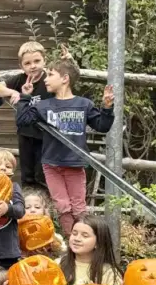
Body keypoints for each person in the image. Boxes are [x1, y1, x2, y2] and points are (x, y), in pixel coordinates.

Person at [15, 58, 115, 234]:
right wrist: (25, 96)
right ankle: (71, 240)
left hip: (74, 163)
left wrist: (107, 107)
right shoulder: (44, 105)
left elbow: (102, 126)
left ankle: (84, 237)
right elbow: (23, 121)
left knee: (78, 207)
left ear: (65, 78)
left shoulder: (83, 104)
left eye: (50, 75)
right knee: (62, 206)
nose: (45, 79)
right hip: (51, 164)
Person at [0, 41, 56, 189]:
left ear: (44, 61)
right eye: (27, 63)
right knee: (27, 174)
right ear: (21, 66)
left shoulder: (49, 79)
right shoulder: (20, 79)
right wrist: (14, 92)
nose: (32, 66)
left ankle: (44, 205)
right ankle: (29, 204)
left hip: (46, 135)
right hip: (26, 134)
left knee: (43, 174)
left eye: (37, 61)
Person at [60, 215, 122, 285]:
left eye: (85, 236)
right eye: (74, 233)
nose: (77, 238)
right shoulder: (57, 265)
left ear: (98, 242)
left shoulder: (108, 272)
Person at [20, 188, 66, 257]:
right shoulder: (16, 231)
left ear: (44, 211)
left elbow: (61, 252)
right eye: (27, 207)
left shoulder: (51, 233)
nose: (32, 210)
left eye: (37, 207)